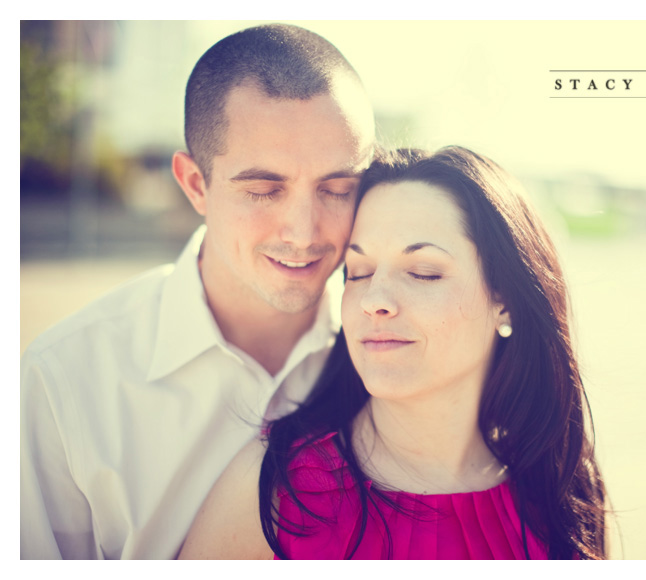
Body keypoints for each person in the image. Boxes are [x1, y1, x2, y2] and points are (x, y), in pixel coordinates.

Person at [20, 23, 375, 559]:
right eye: (263, 190)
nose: (304, 232)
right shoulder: (65, 379)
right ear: (194, 185)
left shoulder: (395, 355)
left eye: (337, 189)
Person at [178, 147, 607, 560]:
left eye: (422, 273)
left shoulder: (561, 490)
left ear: (506, 299)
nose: (374, 299)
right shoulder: (274, 487)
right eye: (358, 273)